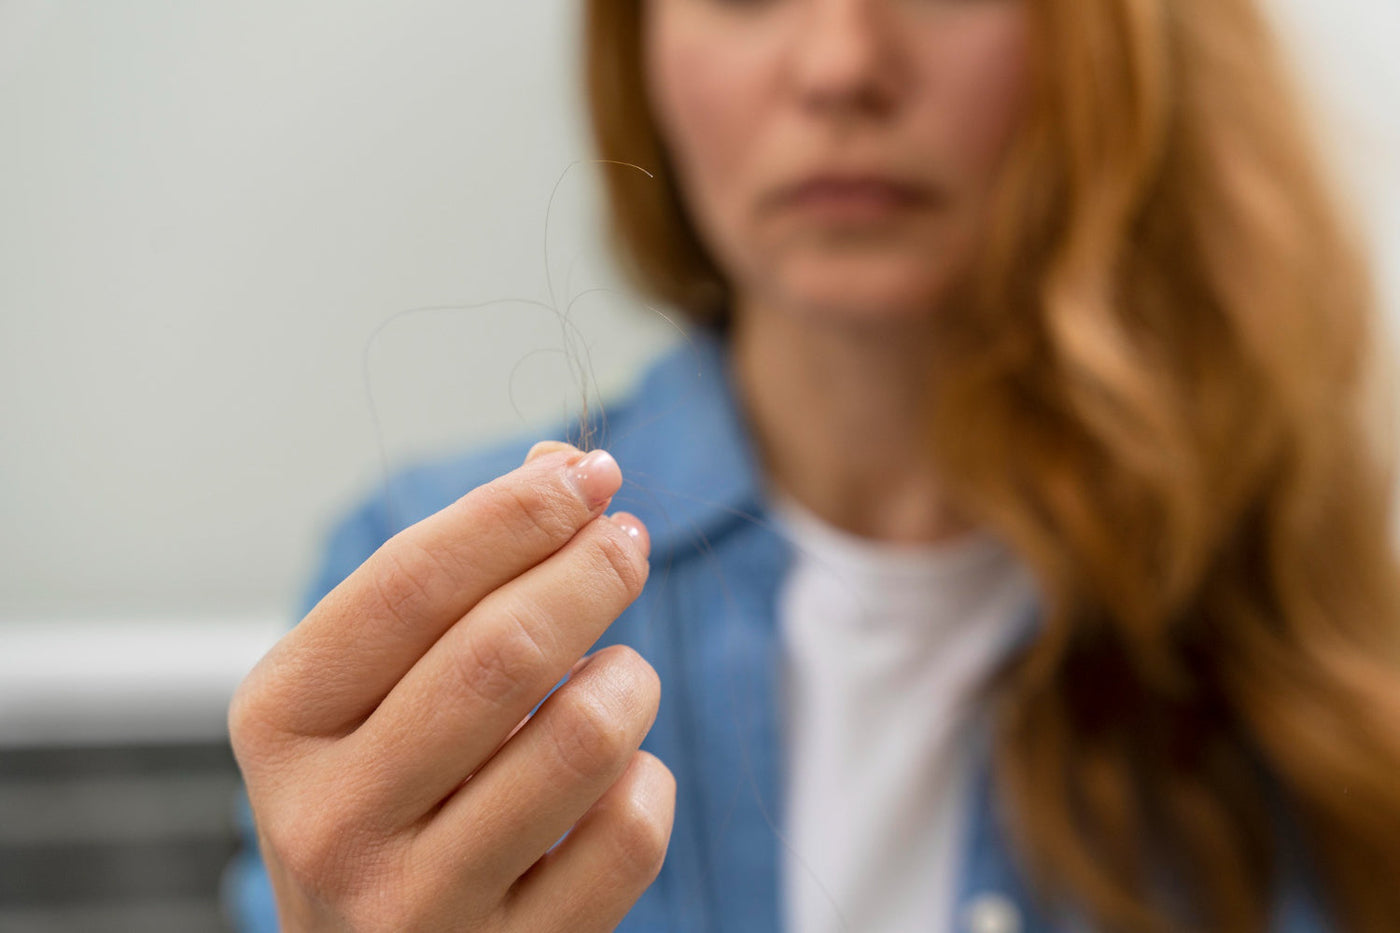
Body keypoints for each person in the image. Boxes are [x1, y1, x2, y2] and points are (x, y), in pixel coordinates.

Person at [225, 0, 1400, 930]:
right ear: (637, 50)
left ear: (1107, 44)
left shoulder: (1324, 622)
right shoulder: (431, 597)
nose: (841, 63)